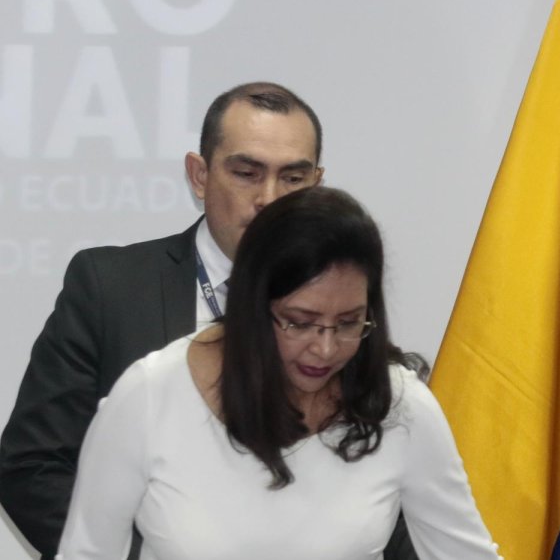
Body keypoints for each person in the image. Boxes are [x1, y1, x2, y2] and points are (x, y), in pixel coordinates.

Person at [56, 186, 499, 559]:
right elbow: (87, 553)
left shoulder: (399, 405)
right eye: (300, 322)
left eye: (349, 323)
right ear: (252, 305)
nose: (325, 348)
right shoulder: (151, 394)